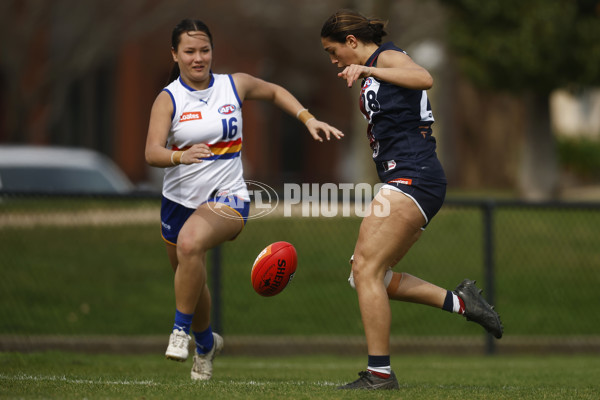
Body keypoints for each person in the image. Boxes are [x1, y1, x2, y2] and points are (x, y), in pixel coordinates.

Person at [145, 18, 343, 381]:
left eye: (204, 50)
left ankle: (179, 332)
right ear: (174, 54)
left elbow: (273, 91)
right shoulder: (168, 98)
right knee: (190, 275)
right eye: (189, 51)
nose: (198, 58)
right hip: (178, 201)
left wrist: (307, 118)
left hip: (229, 198)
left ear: (212, 52)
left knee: (190, 245)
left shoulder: (232, 86)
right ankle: (206, 344)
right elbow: (151, 152)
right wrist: (179, 156)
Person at [320, 9, 503, 390]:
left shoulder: (384, 57)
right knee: (365, 275)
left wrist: (370, 71)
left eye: (333, 51)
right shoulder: (375, 67)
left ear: (352, 42)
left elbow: (425, 77)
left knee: (366, 270)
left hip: (414, 175)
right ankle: (462, 303)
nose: (334, 60)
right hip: (405, 177)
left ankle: (379, 374)